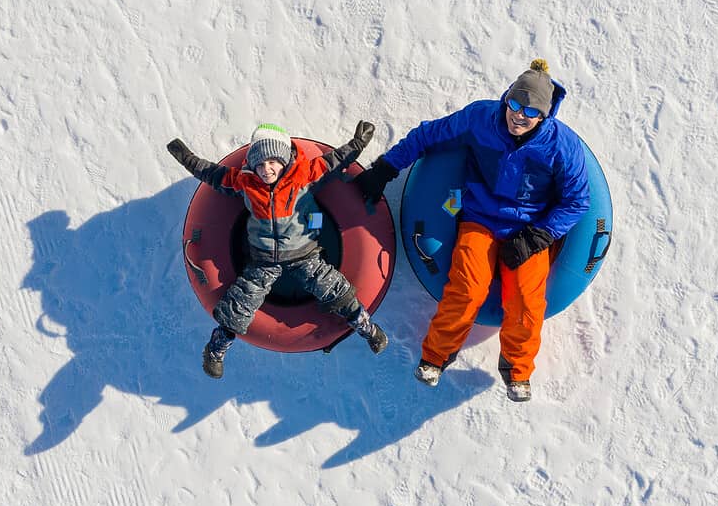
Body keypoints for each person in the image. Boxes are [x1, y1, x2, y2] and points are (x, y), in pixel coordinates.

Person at [354, 59, 590, 402]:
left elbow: (578, 200)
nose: (518, 115)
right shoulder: (481, 118)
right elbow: (429, 134)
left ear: (544, 115)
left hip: (530, 228)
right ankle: (435, 357)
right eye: (514, 103)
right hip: (480, 218)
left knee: (526, 299)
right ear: (506, 98)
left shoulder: (561, 146)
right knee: (467, 287)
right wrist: (386, 168)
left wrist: (538, 236)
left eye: (529, 111)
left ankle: (517, 370)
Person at [167, 121, 388, 378]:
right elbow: (212, 175)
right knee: (240, 303)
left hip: (304, 254)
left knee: (334, 288)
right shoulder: (245, 183)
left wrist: (358, 143)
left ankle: (367, 329)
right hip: (263, 261)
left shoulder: (303, 175)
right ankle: (215, 350)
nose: (266, 169)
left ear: (284, 160)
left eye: (272, 162)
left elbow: (335, 161)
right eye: (260, 164)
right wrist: (186, 158)